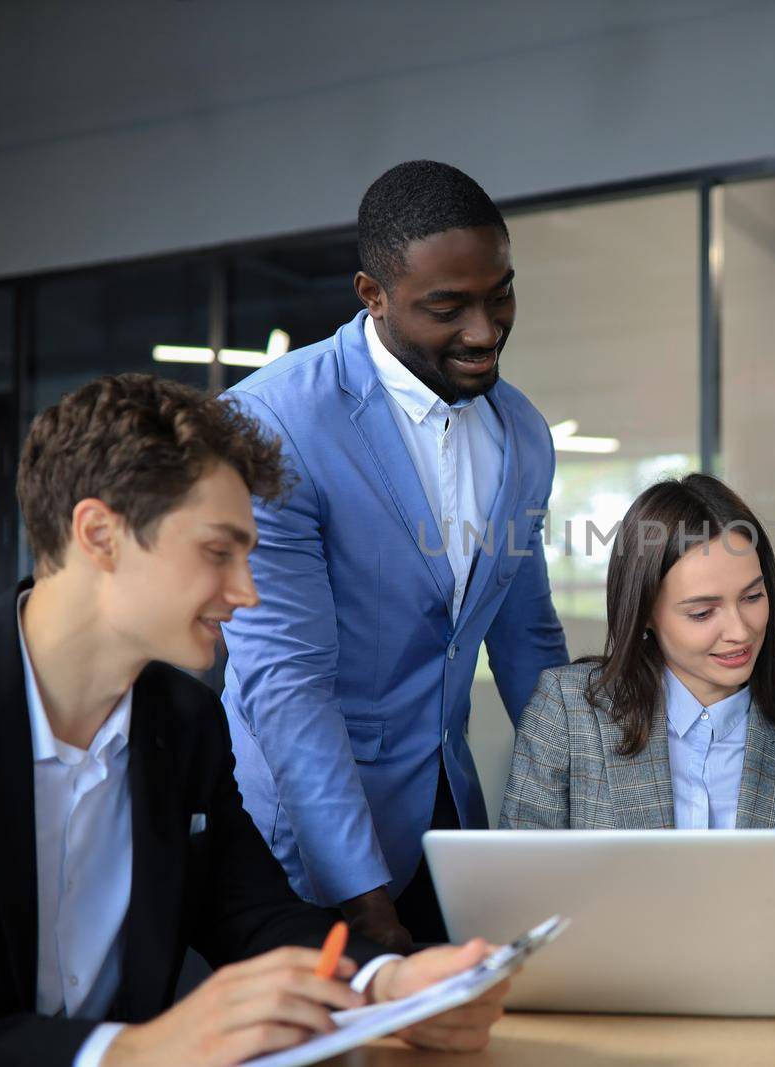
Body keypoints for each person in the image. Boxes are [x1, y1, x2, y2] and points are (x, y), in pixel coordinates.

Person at [0, 375, 510, 1066]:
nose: (246, 592)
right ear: (99, 533)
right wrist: (127, 1051)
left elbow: (255, 912)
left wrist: (392, 983)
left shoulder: (184, 719)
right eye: (219, 551)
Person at [221, 161, 569, 948]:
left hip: (448, 822)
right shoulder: (272, 425)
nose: (484, 331)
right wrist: (364, 902)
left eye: (501, 293)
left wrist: (597, 807)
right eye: (448, 307)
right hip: (308, 844)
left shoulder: (522, 431)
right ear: (372, 295)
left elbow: (527, 640)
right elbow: (287, 683)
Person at [500, 475, 775, 960]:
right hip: (608, 999)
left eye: (752, 597)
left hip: (758, 1005)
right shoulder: (566, 711)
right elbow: (517, 896)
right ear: (645, 613)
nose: (740, 631)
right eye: (702, 612)